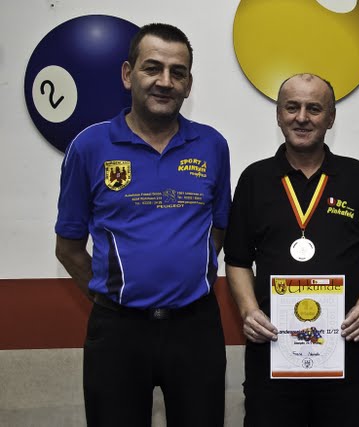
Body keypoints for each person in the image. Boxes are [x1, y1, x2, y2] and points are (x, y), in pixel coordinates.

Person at [54, 23, 230, 427]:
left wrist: (185, 276)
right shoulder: (90, 146)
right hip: (118, 332)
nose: (165, 81)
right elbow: (68, 247)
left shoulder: (212, 146)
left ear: (188, 84)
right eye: (153, 68)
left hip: (196, 329)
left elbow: (218, 229)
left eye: (177, 72)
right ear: (127, 74)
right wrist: (113, 297)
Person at [224, 73, 359, 427]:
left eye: (314, 108)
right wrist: (248, 310)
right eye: (292, 107)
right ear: (278, 115)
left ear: (331, 117)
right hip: (271, 353)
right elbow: (237, 259)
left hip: (341, 352)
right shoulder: (254, 180)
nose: (302, 117)